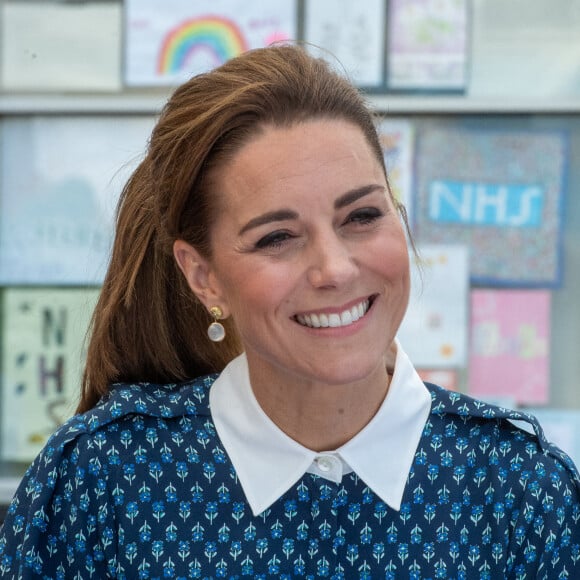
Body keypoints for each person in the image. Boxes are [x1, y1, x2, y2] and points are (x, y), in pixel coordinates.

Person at [0, 44, 578, 579]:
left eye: (361, 216)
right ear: (202, 275)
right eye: (277, 236)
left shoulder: (525, 493)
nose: (335, 269)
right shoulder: (100, 485)